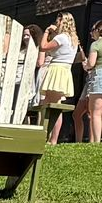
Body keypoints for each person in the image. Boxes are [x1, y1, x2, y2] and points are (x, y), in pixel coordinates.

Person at [38, 12, 79, 144]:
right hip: (64, 70)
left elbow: (43, 47)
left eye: (58, 20)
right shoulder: (73, 38)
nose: (56, 23)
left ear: (63, 22)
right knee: (48, 104)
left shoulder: (62, 37)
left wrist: (46, 32)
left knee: (55, 106)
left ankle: (53, 139)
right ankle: (45, 135)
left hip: (57, 70)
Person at [79, 20, 102, 143]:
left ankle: (95, 142)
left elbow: (91, 63)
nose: (92, 33)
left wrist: (85, 66)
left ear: (97, 30)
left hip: (99, 77)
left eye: (93, 30)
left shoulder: (96, 44)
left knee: (94, 112)